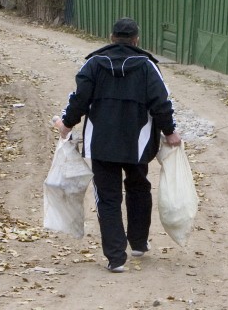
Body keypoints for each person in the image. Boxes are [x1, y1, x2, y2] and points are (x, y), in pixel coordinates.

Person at [55, 17, 182, 273]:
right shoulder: (147, 67)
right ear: (136, 39)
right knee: (138, 188)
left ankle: (115, 257)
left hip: (101, 144)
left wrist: (66, 124)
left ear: (111, 37)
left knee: (108, 198)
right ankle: (138, 243)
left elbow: (79, 99)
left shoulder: (93, 64)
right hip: (138, 143)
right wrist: (170, 132)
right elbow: (161, 102)